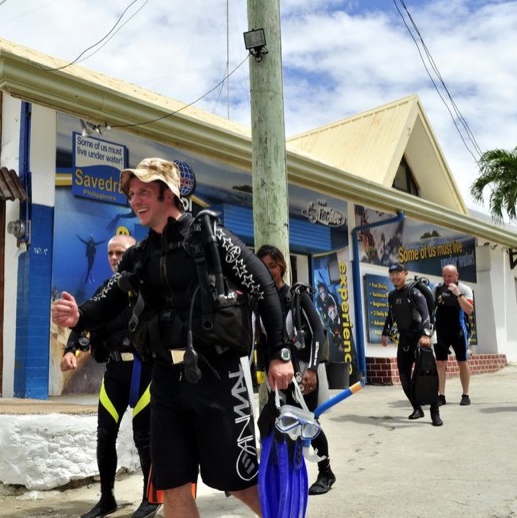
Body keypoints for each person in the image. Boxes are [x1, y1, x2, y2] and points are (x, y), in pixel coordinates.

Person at [52, 157, 293, 517]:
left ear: (168, 194)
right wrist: (80, 316)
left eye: (144, 192)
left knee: (240, 481)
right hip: (165, 380)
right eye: (132, 194)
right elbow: (111, 297)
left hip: (216, 376)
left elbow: (264, 286)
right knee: (173, 485)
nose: (135, 200)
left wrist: (279, 353)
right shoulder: (139, 255)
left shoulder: (211, 238)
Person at [61, 234, 158, 518]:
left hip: (147, 372)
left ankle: (150, 499)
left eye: (121, 253)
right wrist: (70, 350)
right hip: (115, 372)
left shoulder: (151, 287)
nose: (115, 258)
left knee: (144, 436)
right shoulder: (107, 289)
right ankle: (107, 499)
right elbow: (86, 316)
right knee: (104, 435)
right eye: (111, 253)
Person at [256, 244, 336, 496]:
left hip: (303, 371)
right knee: (275, 422)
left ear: (281, 266)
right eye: (263, 267)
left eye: (272, 265)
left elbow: (319, 334)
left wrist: (312, 369)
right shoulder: (259, 301)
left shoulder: (297, 297)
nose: (269, 271)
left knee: (307, 422)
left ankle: (326, 472)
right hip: (276, 376)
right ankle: (284, 474)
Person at [381, 263, 443, 427]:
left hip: (420, 340)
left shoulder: (414, 292)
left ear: (405, 273)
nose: (394, 277)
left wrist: (426, 335)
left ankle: (435, 412)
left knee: (428, 377)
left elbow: (425, 314)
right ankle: (417, 408)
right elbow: (391, 315)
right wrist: (385, 332)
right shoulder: (392, 295)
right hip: (404, 341)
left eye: (398, 273)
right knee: (404, 378)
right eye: (392, 274)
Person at [433, 264, 475, 406]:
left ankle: (465, 394)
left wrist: (458, 294)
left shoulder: (464, 289)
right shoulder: (437, 288)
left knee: (462, 362)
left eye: (450, 276)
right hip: (441, 331)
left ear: (457, 275)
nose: (447, 279)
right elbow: (431, 307)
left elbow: (469, 310)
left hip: (458, 331)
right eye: (444, 275)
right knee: (440, 363)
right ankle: (441, 395)